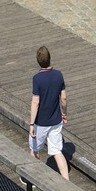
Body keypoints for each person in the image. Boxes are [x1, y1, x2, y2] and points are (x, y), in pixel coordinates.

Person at [29, 46, 69, 179]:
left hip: (41, 122)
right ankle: (66, 181)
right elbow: (63, 98)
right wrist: (64, 113)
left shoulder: (37, 79)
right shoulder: (59, 75)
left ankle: (32, 179)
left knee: (35, 150)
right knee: (57, 152)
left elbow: (36, 102)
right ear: (50, 58)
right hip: (56, 121)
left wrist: (31, 124)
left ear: (38, 61)